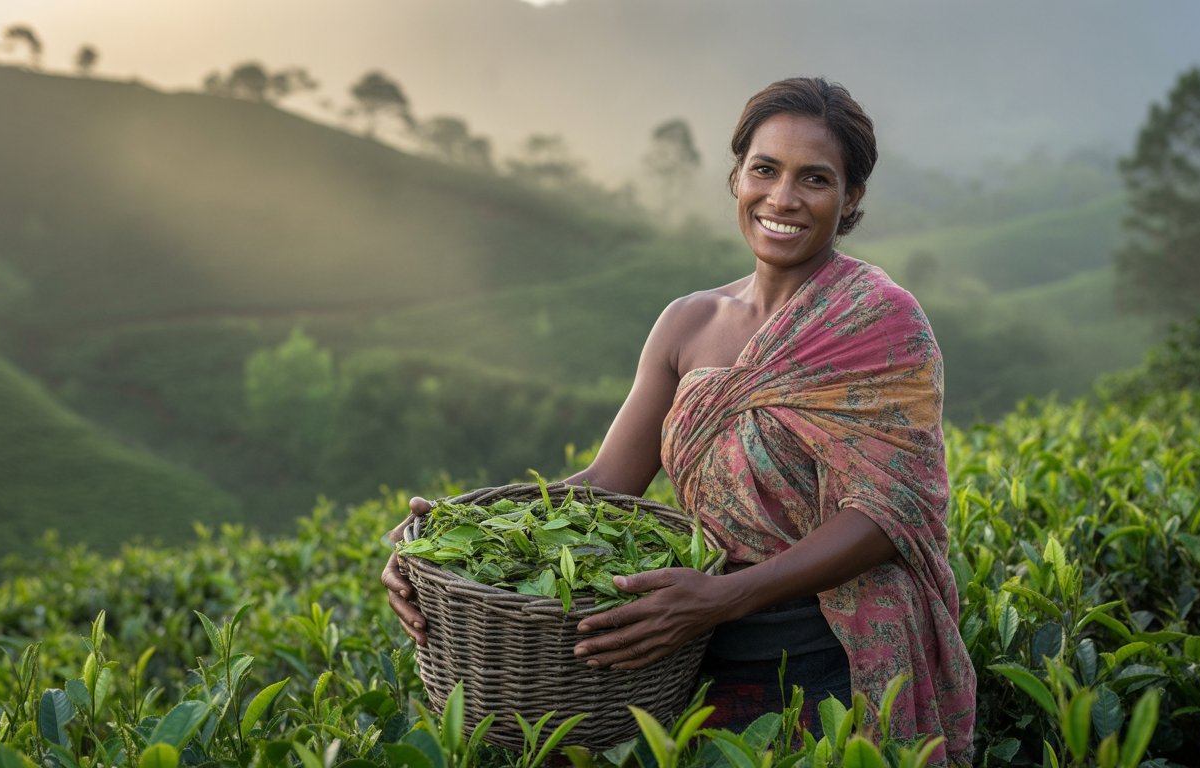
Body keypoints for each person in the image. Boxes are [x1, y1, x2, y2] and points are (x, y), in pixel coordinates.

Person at [382, 76, 975, 765]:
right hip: (690, 658)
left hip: (831, 662)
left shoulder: (879, 320)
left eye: (814, 178)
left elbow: (888, 511)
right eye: (765, 170)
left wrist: (723, 597)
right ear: (735, 178)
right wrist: (444, 539)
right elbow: (608, 481)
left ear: (852, 198)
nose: (782, 198)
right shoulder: (687, 322)